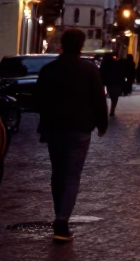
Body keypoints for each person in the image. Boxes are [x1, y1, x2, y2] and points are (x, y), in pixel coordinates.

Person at [36, 29, 108, 242]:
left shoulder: (49, 69)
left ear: (62, 44)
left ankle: (60, 215)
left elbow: (40, 99)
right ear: (81, 46)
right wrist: (101, 123)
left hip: (55, 128)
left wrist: (44, 124)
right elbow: (98, 98)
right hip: (80, 128)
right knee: (71, 174)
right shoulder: (89, 69)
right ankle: (61, 220)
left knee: (57, 172)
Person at [99, 51, 122, 117]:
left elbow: (101, 73)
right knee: (114, 98)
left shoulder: (104, 64)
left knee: (106, 97)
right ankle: (112, 110)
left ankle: (106, 110)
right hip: (115, 82)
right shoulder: (115, 63)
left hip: (107, 82)